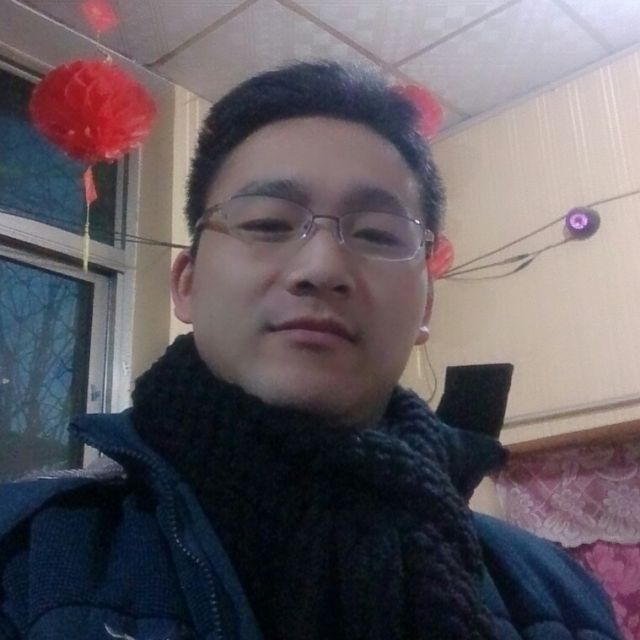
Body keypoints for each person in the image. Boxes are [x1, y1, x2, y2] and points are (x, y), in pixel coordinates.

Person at [0, 61, 621, 640]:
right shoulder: (25, 559)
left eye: (377, 234)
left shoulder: (560, 599)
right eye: (267, 224)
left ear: (426, 307)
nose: (322, 267)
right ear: (186, 284)